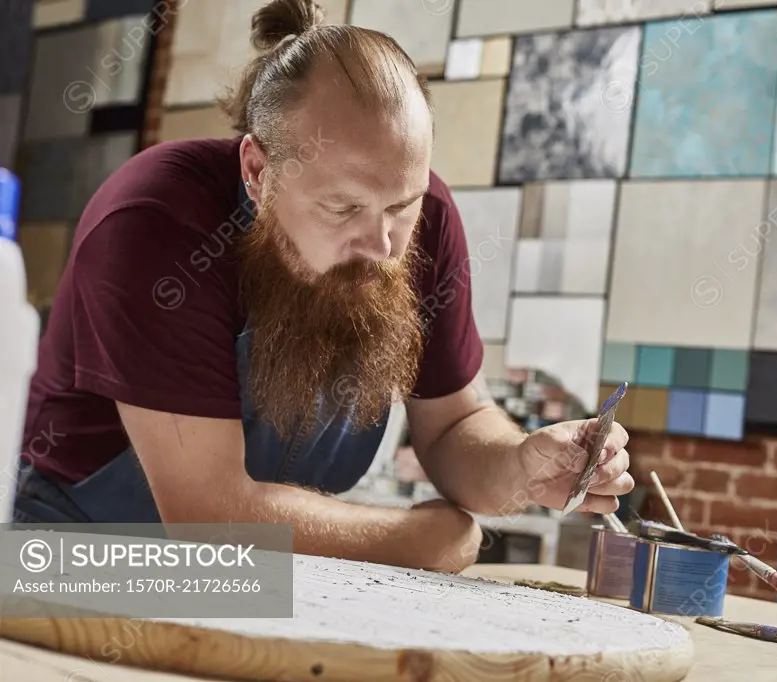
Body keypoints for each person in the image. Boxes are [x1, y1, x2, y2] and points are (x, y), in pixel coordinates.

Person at [13, 0, 633, 572]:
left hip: (276, 567)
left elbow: (453, 427)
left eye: (402, 205)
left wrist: (524, 464)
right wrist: (416, 541)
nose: (384, 245)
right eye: (342, 209)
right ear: (257, 172)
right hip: (91, 556)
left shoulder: (425, 218)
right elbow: (207, 515)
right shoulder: (155, 222)